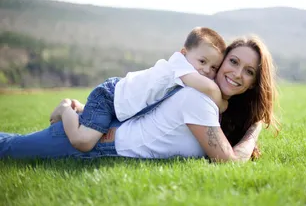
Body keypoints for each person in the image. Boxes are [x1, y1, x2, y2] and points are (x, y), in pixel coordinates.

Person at [0, 36, 280, 162]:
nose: (237, 73)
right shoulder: (200, 98)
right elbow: (229, 163)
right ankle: (65, 110)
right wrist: (255, 129)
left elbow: (147, 106)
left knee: (10, 145)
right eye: (233, 61)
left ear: (255, 82)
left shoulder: (204, 98)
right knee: (9, 149)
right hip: (98, 147)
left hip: (105, 137)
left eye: (249, 71)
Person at [50, 27, 227, 152]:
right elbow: (211, 89)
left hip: (121, 101)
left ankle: (81, 107)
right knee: (83, 141)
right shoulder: (179, 66)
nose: (206, 70)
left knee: (99, 122)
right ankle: (66, 109)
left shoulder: (187, 70)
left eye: (214, 68)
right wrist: (223, 103)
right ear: (184, 53)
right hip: (109, 97)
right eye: (202, 61)